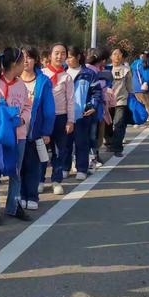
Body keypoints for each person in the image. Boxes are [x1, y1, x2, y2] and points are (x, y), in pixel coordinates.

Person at [0, 47, 32, 224]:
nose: (25, 64)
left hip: (19, 136)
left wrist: (22, 120)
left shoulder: (21, 86)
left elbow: (27, 107)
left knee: (15, 172)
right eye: (23, 61)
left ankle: (13, 206)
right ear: (14, 64)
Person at [19, 47, 55, 210]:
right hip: (16, 132)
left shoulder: (43, 81)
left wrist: (47, 131)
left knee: (33, 165)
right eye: (23, 57)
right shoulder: (13, 79)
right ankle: (20, 195)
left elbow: (48, 108)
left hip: (35, 131)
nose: (26, 61)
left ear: (35, 60)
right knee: (19, 166)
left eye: (29, 57)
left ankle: (32, 195)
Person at [40, 43, 74, 195]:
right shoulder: (41, 74)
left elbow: (71, 100)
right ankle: (39, 180)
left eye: (63, 53)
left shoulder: (67, 77)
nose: (59, 56)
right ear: (50, 55)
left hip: (61, 117)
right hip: (43, 118)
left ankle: (56, 180)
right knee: (41, 151)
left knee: (59, 151)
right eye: (56, 53)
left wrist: (70, 120)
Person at [64, 46, 102, 179]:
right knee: (65, 144)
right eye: (66, 57)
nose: (67, 60)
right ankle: (65, 168)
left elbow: (97, 92)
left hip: (82, 114)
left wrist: (93, 106)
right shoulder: (63, 73)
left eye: (70, 57)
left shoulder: (89, 74)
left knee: (81, 143)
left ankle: (82, 169)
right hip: (65, 115)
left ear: (78, 57)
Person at [104, 48, 132, 157]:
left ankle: (117, 148)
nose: (117, 56)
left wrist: (133, 97)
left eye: (119, 54)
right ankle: (109, 142)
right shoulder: (106, 69)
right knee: (108, 124)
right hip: (107, 101)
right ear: (111, 57)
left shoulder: (126, 70)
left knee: (119, 124)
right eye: (114, 54)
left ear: (122, 56)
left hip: (121, 101)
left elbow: (129, 86)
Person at [131, 46, 149, 128]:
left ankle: (137, 122)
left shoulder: (136, 62)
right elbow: (148, 76)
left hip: (136, 87)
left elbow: (131, 70)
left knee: (139, 105)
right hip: (147, 88)